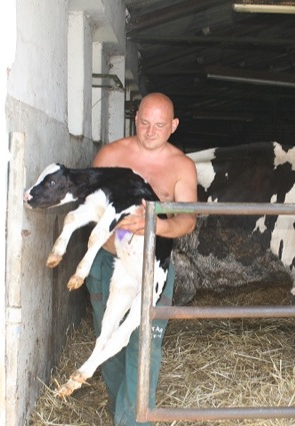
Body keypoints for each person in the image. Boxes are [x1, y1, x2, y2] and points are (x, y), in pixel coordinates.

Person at [87, 92, 197, 425]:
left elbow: (187, 220)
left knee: (145, 346)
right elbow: (89, 207)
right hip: (108, 262)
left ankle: (133, 420)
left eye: (160, 125)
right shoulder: (110, 155)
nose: (150, 132)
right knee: (108, 340)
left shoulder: (181, 166)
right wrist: (116, 225)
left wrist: (155, 225)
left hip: (153, 267)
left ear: (174, 125)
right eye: (145, 123)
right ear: (135, 119)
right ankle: (122, 411)